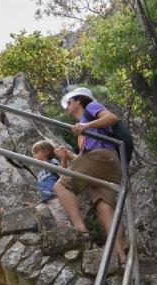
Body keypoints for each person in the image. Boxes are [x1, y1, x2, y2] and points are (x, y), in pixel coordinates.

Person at [53, 87, 126, 264]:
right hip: (107, 163)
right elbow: (85, 159)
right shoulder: (82, 130)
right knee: (104, 210)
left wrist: (87, 125)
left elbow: (111, 118)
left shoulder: (90, 107)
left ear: (80, 100)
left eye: (69, 102)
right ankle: (121, 257)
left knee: (60, 186)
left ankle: (81, 230)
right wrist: (68, 156)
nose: (67, 107)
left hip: (101, 156)